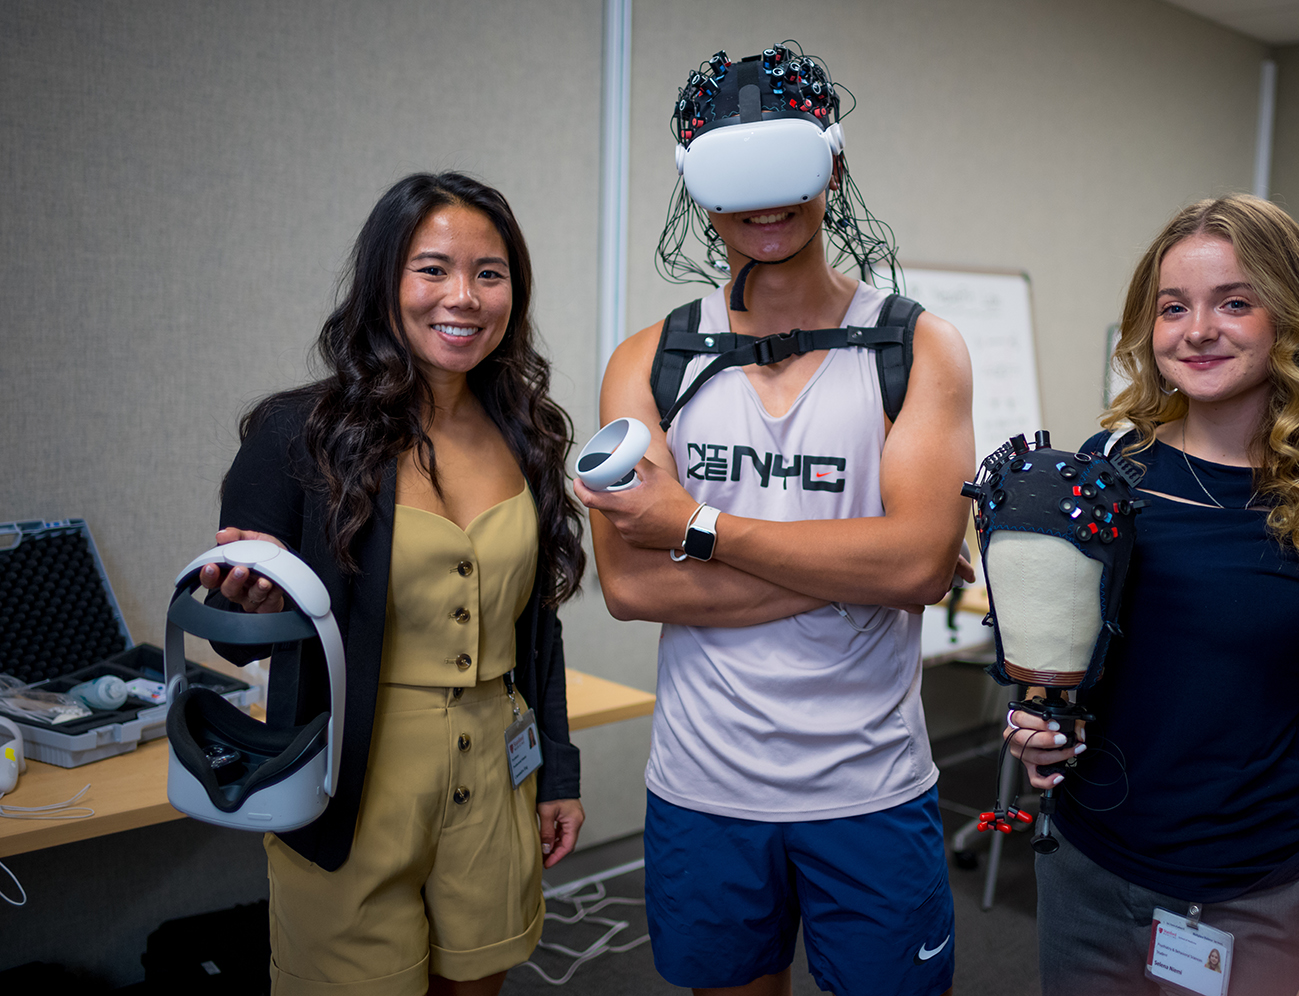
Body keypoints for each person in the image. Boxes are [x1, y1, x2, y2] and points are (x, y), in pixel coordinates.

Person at [577, 44, 974, 996]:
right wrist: (855, 561)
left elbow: (918, 569)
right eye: (733, 174)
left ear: (831, 163)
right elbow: (632, 587)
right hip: (705, 789)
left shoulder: (917, 347)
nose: (763, 204)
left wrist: (695, 525)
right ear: (693, 181)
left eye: (785, 167)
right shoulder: (651, 360)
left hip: (870, 787)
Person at [1009, 194, 1299, 996]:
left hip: (1247, 901)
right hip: (1084, 874)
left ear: (1290, 320)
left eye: (1235, 301)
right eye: (1174, 307)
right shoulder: (1108, 469)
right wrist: (1041, 726)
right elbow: (1082, 658)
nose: (1199, 330)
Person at [201, 171, 587, 996]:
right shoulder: (297, 435)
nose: (465, 297)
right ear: (385, 281)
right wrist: (253, 598)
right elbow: (226, 603)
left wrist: (559, 770)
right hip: (349, 782)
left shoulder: (527, 434)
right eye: (433, 268)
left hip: (492, 775)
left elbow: (537, 630)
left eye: (491, 273)